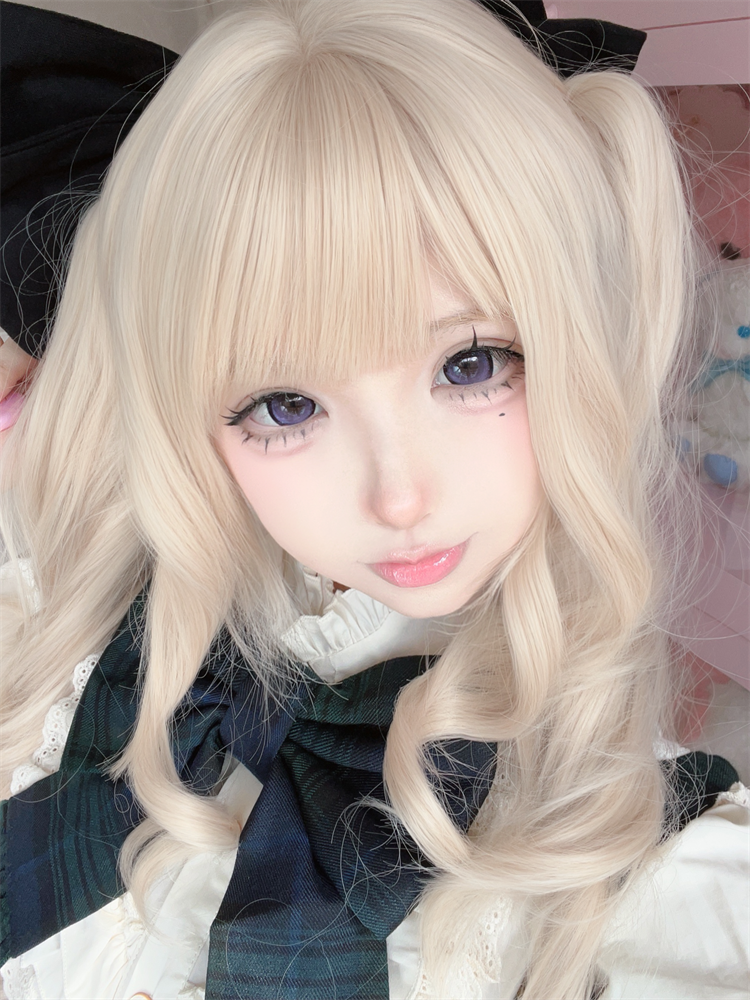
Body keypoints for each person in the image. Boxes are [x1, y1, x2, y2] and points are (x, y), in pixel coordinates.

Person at [0, 1, 747, 998]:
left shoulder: (670, 882)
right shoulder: (48, 635)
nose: (400, 494)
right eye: (287, 404)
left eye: (471, 364)